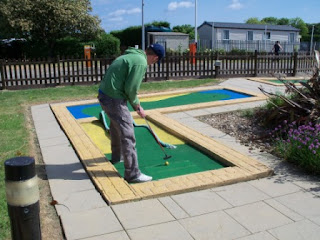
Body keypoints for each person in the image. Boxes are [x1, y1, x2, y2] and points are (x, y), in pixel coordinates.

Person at [98, 43, 165, 183]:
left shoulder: (130, 55)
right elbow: (131, 88)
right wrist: (137, 105)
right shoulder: (141, 62)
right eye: (156, 61)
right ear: (155, 57)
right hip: (113, 98)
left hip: (104, 95)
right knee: (128, 134)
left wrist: (135, 104)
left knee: (116, 128)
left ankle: (117, 157)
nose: (153, 64)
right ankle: (133, 174)